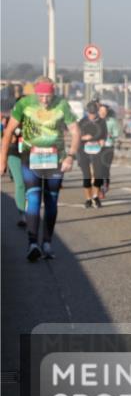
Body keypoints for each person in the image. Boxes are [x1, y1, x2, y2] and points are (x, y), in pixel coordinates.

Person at [0, 77, 79, 260]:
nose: (44, 100)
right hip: (30, 157)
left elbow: (75, 132)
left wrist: (70, 156)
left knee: (51, 201)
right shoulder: (24, 104)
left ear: (54, 93)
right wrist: (2, 160)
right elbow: (9, 131)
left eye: (48, 96)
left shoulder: (62, 105)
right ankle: (33, 243)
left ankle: (47, 242)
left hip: (55, 159)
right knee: (33, 196)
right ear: (36, 93)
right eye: (41, 96)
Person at [2, 83, 27, 227]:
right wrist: (2, 160)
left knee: (32, 185)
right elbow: (6, 138)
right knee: (20, 184)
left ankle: (31, 210)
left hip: (31, 155)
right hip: (14, 153)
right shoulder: (12, 121)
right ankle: (22, 215)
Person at [77, 101, 108, 209]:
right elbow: (76, 136)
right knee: (87, 176)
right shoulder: (82, 122)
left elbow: (104, 134)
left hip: (97, 150)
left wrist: (103, 140)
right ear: (87, 112)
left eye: (94, 113)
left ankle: (95, 197)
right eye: (90, 113)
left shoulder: (101, 122)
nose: (92, 115)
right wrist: (83, 138)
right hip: (83, 151)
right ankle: (88, 199)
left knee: (98, 174)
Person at [98, 104, 120, 198]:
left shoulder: (112, 121)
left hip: (108, 147)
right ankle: (98, 189)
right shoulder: (95, 121)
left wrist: (111, 135)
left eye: (104, 111)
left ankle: (104, 187)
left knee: (105, 168)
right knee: (97, 169)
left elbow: (116, 133)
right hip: (96, 148)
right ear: (98, 111)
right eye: (101, 111)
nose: (102, 113)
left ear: (107, 112)